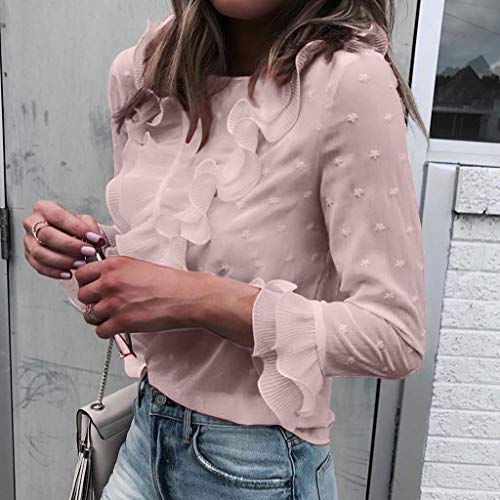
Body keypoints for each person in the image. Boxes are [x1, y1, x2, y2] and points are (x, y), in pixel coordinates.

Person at [23, 0, 428, 498]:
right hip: (143, 437)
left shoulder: (347, 81)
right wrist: (84, 251)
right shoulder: (146, 72)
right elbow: (169, 254)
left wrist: (200, 299)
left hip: (257, 469)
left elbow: (395, 335)